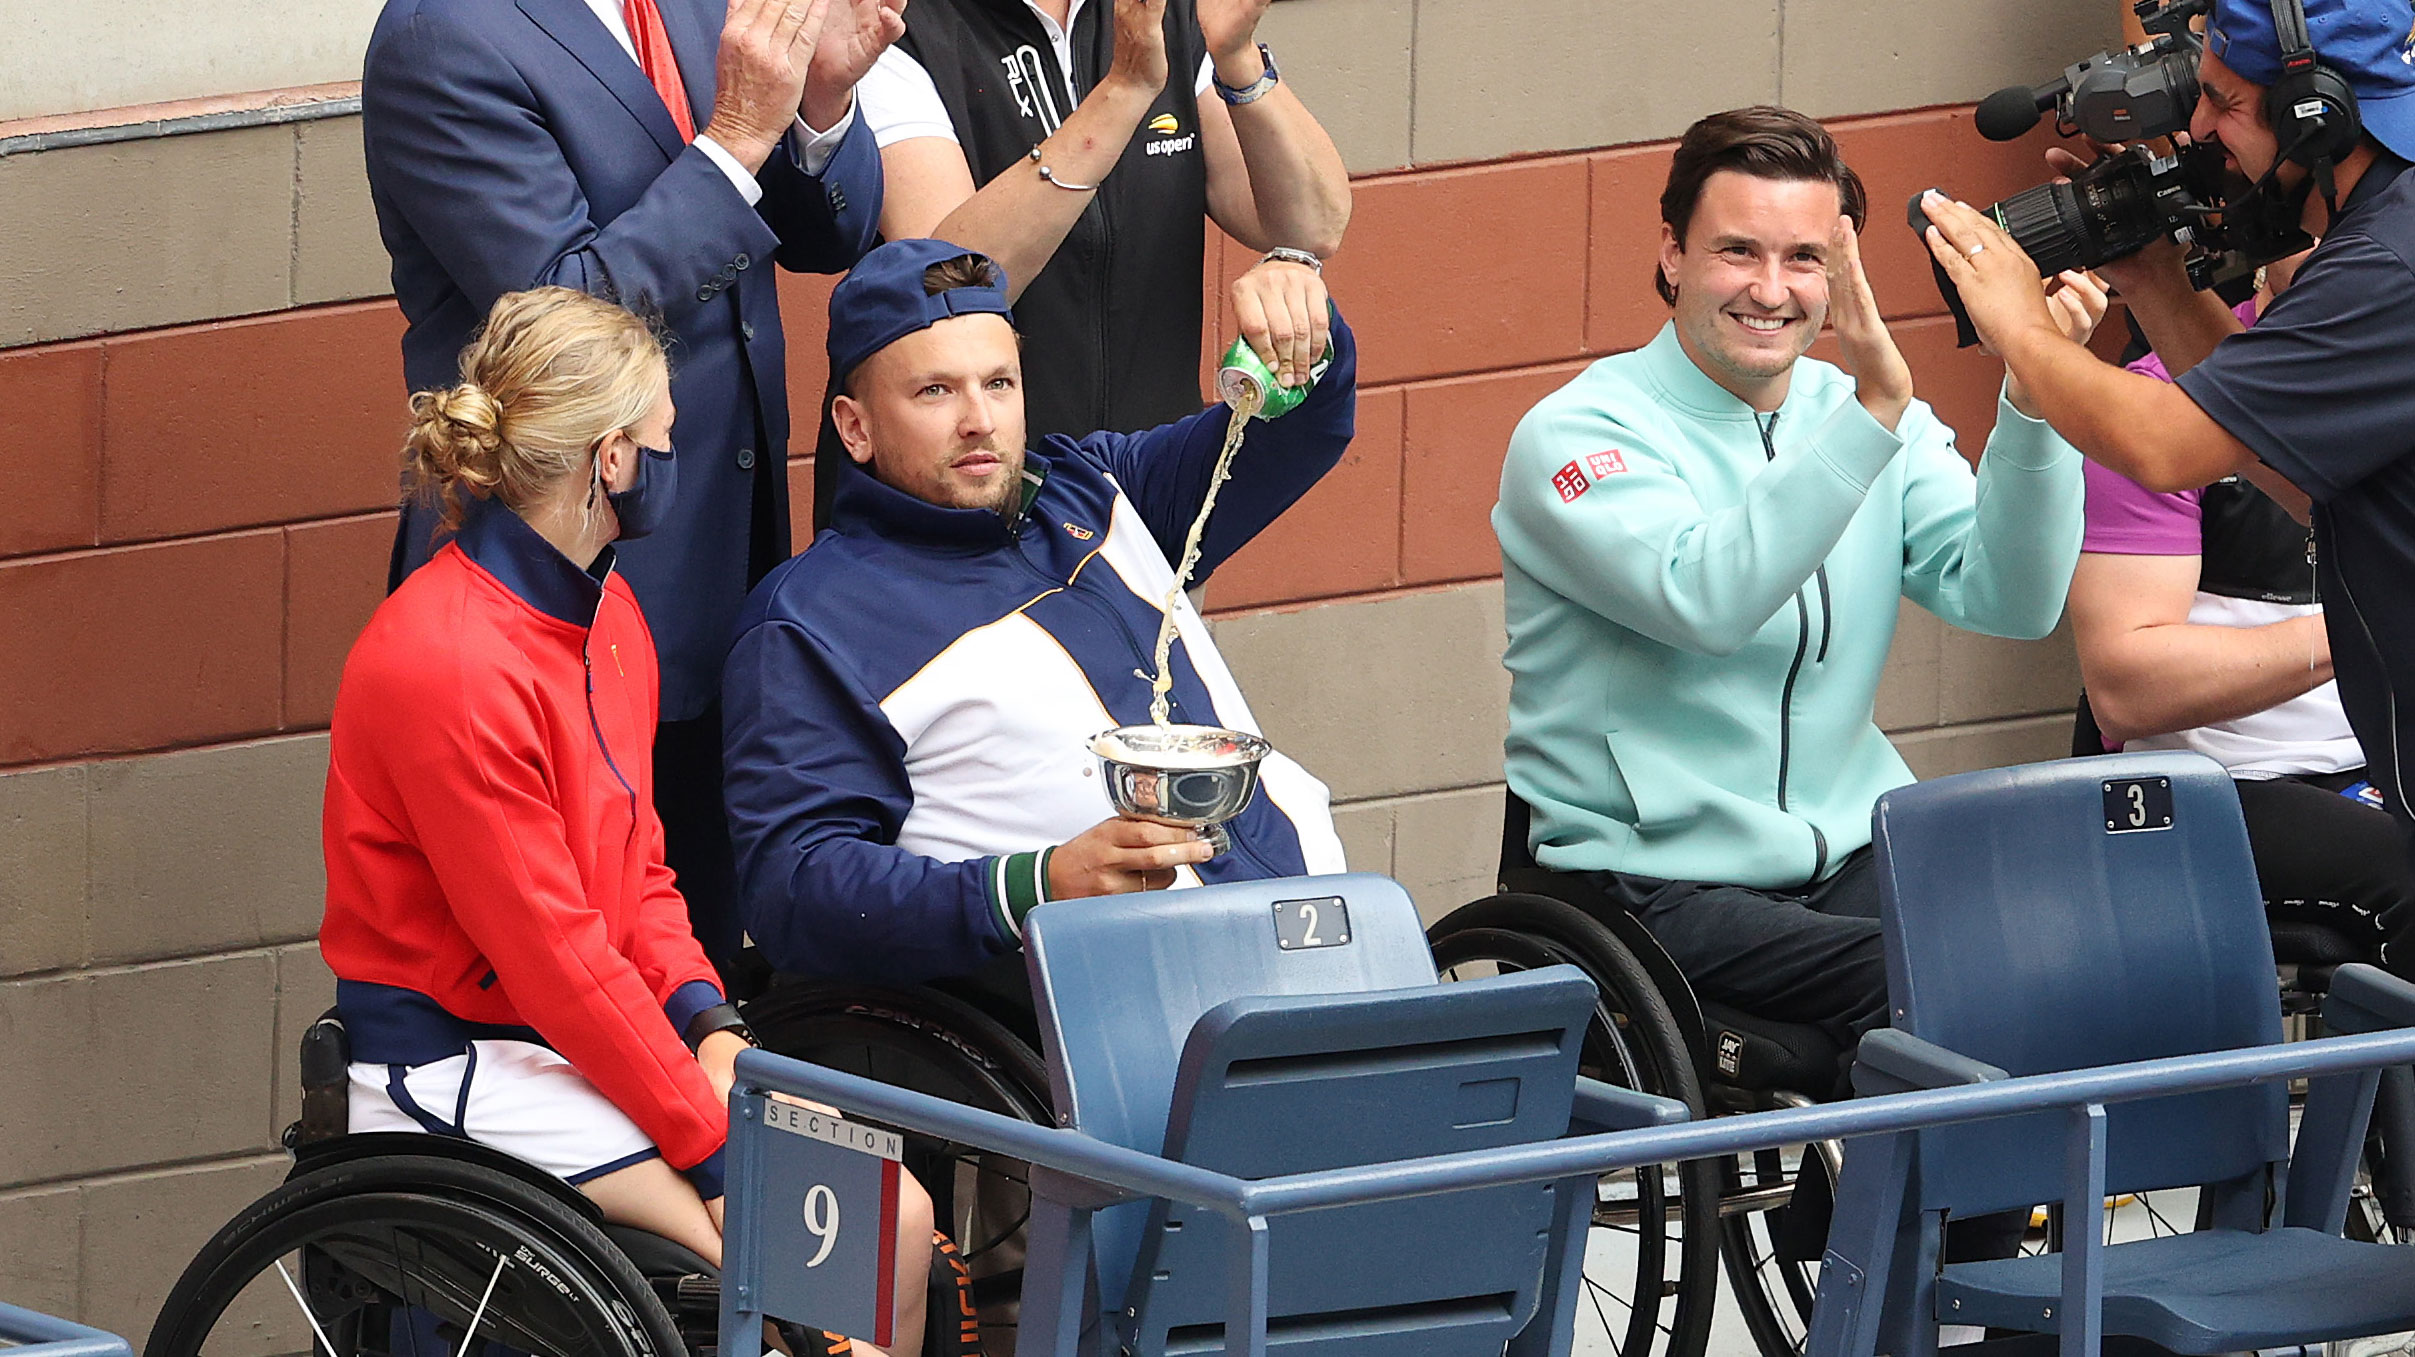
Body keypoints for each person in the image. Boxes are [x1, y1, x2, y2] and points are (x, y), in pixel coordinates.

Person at [320, 288, 930, 1351]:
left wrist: (711, 1025)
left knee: (893, 1220)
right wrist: (711, 1145)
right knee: (779, 1266)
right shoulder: (446, 661)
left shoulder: (610, 612)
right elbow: (553, 956)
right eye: (662, 439)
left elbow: (640, 870)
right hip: (455, 1060)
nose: (672, 458)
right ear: (610, 461)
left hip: (580, 1034)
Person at [1493, 107, 2105, 1082]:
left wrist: (2035, 398)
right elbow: (1706, 598)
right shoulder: (1581, 433)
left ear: (1841, 270)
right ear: (1672, 254)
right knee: (1931, 978)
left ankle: (2026, 1184)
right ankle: (1944, 1191)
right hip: (1648, 879)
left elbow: (2011, 599)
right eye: (1738, 251)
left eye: (1804, 258)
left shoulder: (1862, 415)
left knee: (2073, 937)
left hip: (1853, 851)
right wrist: (1872, 411)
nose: (1771, 290)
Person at [361, 0, 900, 973]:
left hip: (721, 562)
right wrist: (739, 135)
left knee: (697, 959)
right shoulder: (438, 35)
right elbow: (562, 321)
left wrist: (818, 105)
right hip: (553, 596)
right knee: (567, 970)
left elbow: (830, 230)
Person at [722, 239, 1352, 995]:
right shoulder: (811, 619)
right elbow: (794, 888)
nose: (979, 420)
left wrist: (1301, 321)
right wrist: (1034, 885)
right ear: (855, 428)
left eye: (999, 383)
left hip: (1326, 943)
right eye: (934, 391)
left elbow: (1301, 429)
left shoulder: (1101, 488)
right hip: (1118, 1009)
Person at [1918, 0, 2415, 829]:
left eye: (2223, 102)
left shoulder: (2383, 270)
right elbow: (2288, 465)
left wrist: (2018, 324)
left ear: (2316, 114)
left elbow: (2163, 444)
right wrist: (2153, 279)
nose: (2199, 127)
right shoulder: (2390, 228)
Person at [811, 0, 1351, 524]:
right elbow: (948, 284)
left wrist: (1235, 56)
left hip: (1144, 486)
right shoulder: (893, 20)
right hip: (969, 499)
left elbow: (1315, 225)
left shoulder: (1164, 11)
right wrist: (1124, 90)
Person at [2071, 251, 2415, 972]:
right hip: (2210, 785)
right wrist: (2367, 614)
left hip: (2376, 759)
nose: (2345, 239)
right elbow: (2126, 688)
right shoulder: (2156, 406)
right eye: (2316, 223)